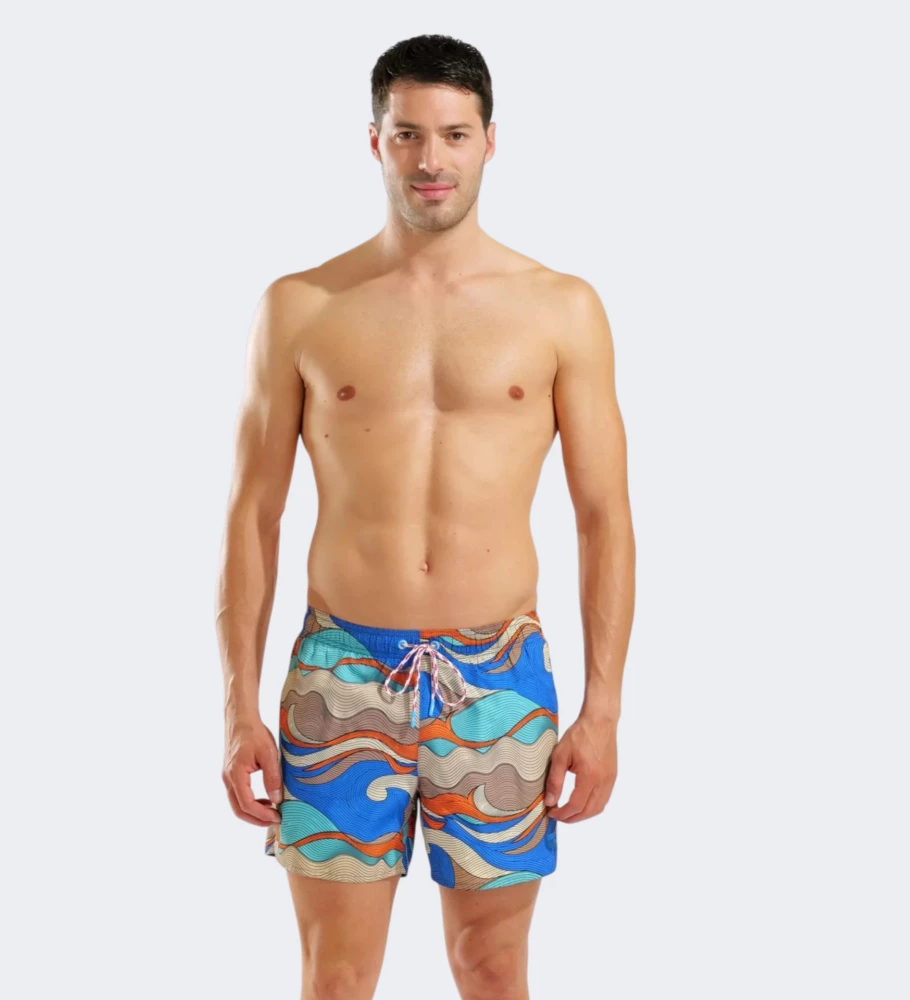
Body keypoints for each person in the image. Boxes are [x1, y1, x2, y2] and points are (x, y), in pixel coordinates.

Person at [215, 32, 636, 1000]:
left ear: (491, 141)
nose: (431, 159)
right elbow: (251, 515)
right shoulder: (302, 306)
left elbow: (604, 517)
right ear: (375, 141)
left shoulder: (562, 308)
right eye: (408, 134)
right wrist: (237, 706)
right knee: (336, 977)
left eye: (453, 134)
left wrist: (603, 709)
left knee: (491, 967)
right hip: (340, 675)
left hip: (499, 678)